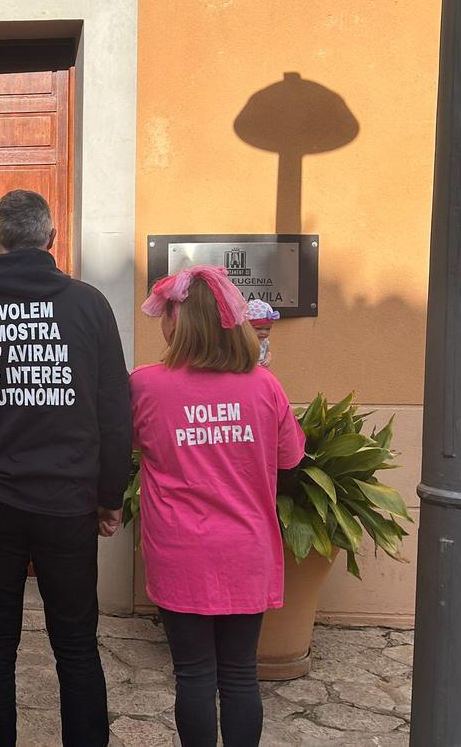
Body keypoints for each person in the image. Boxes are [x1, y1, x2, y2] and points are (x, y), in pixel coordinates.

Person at [0, 189, 133, 747]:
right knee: (76, 644)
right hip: (69, 501)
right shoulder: (88, 305)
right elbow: (115, 411)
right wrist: (110, 494)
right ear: (51, 240)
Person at [133, 266, 304, 747]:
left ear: (179, 323)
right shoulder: (265, 386)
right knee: (240, 675)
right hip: (246, 551)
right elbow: (290, 461)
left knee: (193, 674)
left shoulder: (146, 386)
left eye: (167, 314)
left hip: (180, 551)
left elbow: (119, 449)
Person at [245, 299, 280, 367]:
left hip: (261, 369)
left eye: (268, 329)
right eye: (258, 328)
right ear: (247, 327)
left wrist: (268, 357)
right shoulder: (244, 341)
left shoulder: (264, 340)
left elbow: (266, 349)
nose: (264, 332)